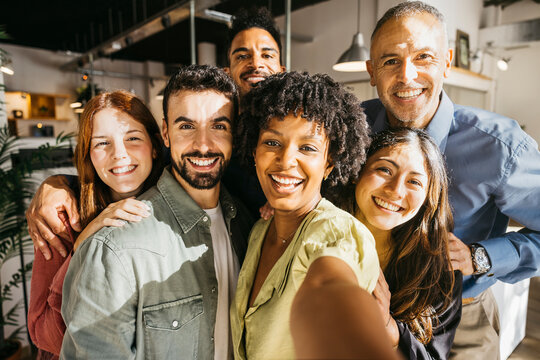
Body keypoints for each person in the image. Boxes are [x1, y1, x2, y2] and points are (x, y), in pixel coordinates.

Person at [25, 7, 284, 255]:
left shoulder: (294, 133)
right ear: (228, 72)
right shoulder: (195, 146)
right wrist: (56, 184)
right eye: (242, 55)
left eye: (267, 54)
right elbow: (130, 166)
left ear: (282, 69)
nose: (255, 63)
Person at [363, 2, 540, 358]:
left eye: (423, 57)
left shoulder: (501, 147)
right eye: (390, 61)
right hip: (365, 306)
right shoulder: (355, 126)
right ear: (371, 71)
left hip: (461, 321)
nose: (407, 76)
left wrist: (481, 257)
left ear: (447, 61)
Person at [60, 65, 253, 359]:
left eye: (218, 126)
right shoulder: (115, 246)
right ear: (165, 133)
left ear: (234, 134)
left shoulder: (247, 223)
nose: (203, 144)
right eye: (186, 126)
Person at [230, 71, 379, 360]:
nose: (286, 161)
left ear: (329, 163)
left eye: (308, 148)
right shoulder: (259, 230)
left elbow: (330, 282)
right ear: (253, 150)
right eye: (272, 142)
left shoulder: (336, 231)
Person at [27, 90, 164, 360]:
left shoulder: (175, 210)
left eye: (133, 138)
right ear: (88, 153)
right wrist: (84, 244)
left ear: (156, 145)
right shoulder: (63, 218)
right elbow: (43, 334)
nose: (119, 154)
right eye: (102, 143)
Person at [336, 128, 462, 359]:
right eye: (385, 170)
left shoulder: (440, 275)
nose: (395, 190)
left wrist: (389, 328)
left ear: (428, 198)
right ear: (358, 170)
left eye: (414, 182)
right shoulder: (313, 230)